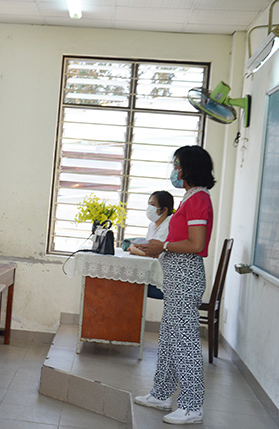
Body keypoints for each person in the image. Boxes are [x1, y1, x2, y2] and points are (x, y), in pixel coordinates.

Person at [134, 145, 215, 425]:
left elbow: (196, 244)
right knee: (169, 337)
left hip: (185, 274)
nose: (175, 171)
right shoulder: (190, 198)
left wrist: (163, 245)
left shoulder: (198, 199)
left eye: (178, 166)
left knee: (185, 341)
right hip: (176, 274)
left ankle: (192, 407)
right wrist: (161, 247)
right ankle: (161, 394)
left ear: (191, 168)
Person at [128, 190, 174, 299]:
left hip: (163, 280)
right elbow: (147, 248)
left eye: (152, 205)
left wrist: (134, 249)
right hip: (151, 274)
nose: (149, 208)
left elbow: (153, 253)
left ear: (164, 209)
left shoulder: (169, 225)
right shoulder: (152, 225)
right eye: (148, 204)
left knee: (128, 284)